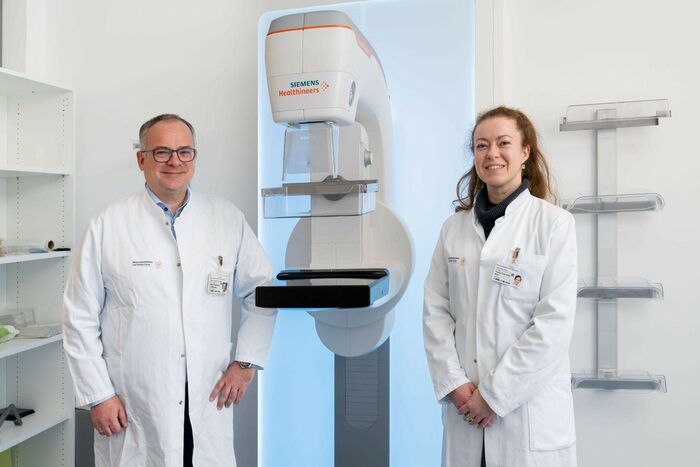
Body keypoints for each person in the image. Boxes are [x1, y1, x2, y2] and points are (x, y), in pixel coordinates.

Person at [62, 114, 278, 467]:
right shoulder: (107, 225)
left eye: (184, 151)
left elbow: (262, 292)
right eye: (161, 152)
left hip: (207, 395)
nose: (174, 161)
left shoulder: (226, 218)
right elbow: (78, 317)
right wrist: (98, 395)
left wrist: (245, 362)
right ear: (141, 159)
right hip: (137, 401)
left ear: (195, 157)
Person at [423, 106, 577, 467]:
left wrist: (492, 397)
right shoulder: (453, 229)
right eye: (481, 145)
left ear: (525, 153)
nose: (491, 153)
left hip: (525, 417)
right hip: (466, 413)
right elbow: (435, 312)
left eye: (503, 143)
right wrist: (457, 386)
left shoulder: (554, 225)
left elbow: (553, 325)